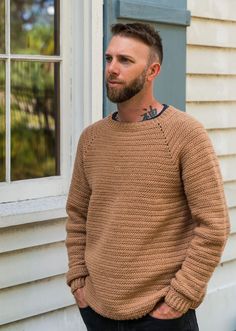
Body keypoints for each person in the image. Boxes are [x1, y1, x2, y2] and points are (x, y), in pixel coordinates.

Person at [65, 22, 230, 331]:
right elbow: (77, 215)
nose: (112, 68)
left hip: (161, 316)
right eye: (109, 58)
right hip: (97, 310)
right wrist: (78, 282)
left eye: (125, 60)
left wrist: (178, 299)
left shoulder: (184, 134)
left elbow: (214, 226)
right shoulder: (91, 139)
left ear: (152, 71)